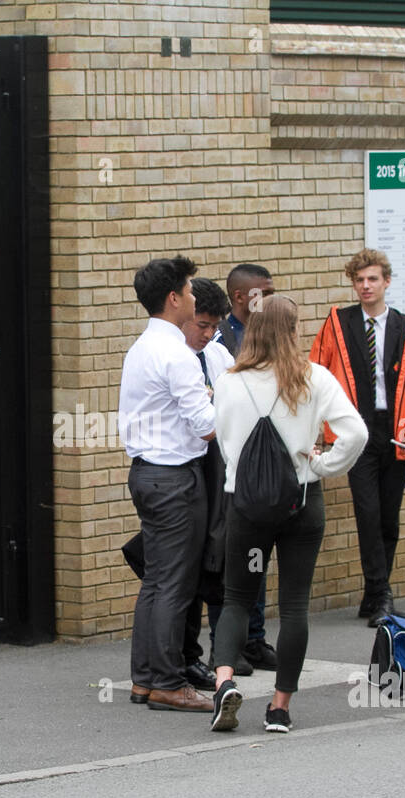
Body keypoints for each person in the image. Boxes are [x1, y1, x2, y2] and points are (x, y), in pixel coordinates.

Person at [208, 294, 366, 733]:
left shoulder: (227, 382)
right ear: (292, 331)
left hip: (246, 506)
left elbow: (222, 442)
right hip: (301, 503)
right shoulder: (314, 377)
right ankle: (279, 707)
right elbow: (356, 433)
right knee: (294, 606)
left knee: (237, 597)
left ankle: (223, 683)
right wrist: (321, 465)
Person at [308, 248, 405, 626]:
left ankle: (376, 594)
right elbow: (316, 372)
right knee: (367, 513)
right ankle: (382, 596)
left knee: (390, 518)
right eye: (359, 280)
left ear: (386, 281)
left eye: (372, 279)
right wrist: (319, 429)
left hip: (394, 431)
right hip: (355, 432)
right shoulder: (337, 323)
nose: (365, 286)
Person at [118, 256, 215, 714]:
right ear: (174, 298)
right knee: (175, 585)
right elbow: (206, 425)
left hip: (147, 473)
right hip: (175, 479)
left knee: (157, 581)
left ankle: (145, 679)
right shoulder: (177, 352)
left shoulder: (142, 347)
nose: (195, 300)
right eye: (191, 292)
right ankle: (168, 683)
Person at [213, 263, 278, 671]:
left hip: (264, 467)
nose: (269, 298)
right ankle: (227, 643)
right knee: (229, 560)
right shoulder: (222, 340)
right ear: (241, 297)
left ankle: (254, 638)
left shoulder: (269, 335)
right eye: (263, 292)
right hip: (230, 465)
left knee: (258, 555)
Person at [178, 277, 235, 691]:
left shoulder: (216, 354)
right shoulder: (171, 357)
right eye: (201, 324)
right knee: (183, 570)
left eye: (214, 325)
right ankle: (183, 655)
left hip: (216, 466)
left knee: (215, 560)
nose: (208, 333)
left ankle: (221, 654)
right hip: (184, 468)